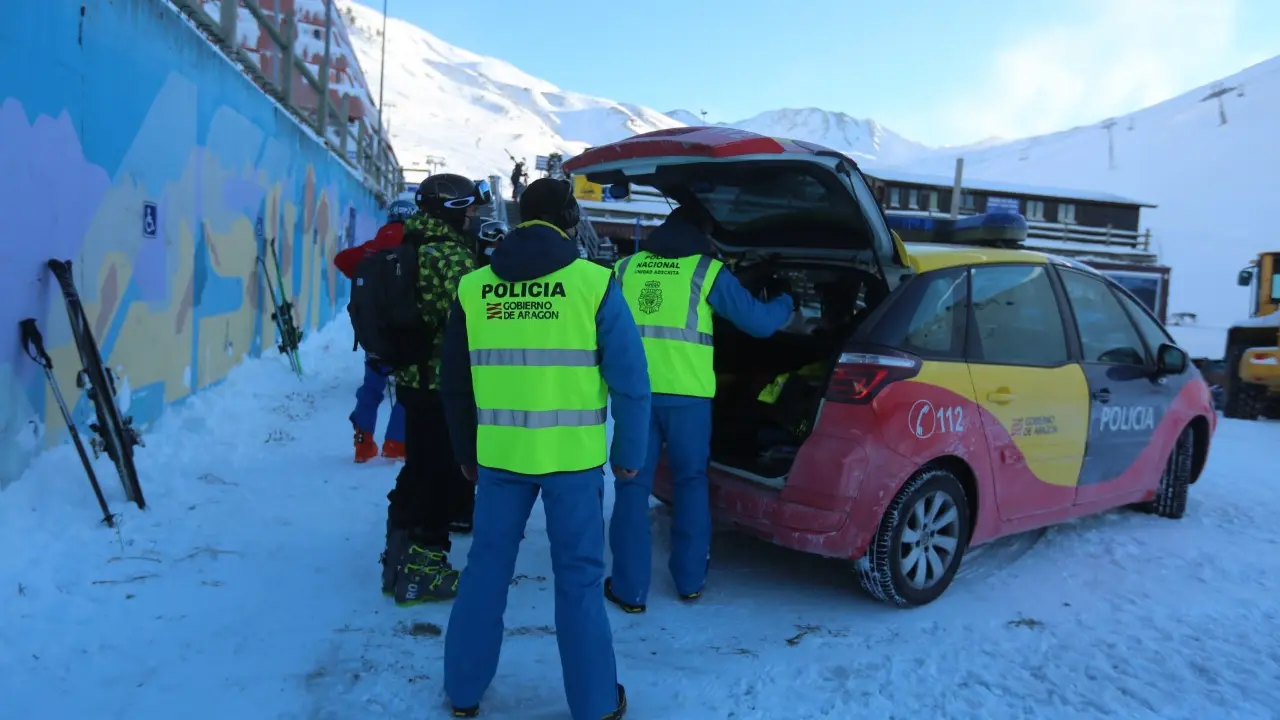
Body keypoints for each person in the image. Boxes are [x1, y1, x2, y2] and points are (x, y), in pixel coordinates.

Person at [439, 178, 649, 719]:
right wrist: (629, 453)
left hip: (500, 458)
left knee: (485, 571)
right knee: (579, 581)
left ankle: (463, 692)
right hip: (571, 461)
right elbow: (630, 380)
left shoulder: (474, 287)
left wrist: (465, 452)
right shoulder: (594, 284)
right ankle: (595, 703)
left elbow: (455, 383)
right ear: (571, 220)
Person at [605, 203, 796, 613]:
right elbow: (761, 324)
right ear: (703, 236)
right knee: (690, 484)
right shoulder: (706, 272)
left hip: (635, 397)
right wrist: (785, 300)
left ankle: (628, 589)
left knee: (631, 486)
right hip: (688, 400)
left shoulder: (625, 268)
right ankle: (689, 582)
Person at [381, 174, 494, 606]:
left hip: (413, 380)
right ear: (451, 209)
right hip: (441, 383)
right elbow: (470, 322)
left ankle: (397, 561)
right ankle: (423, 570)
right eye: (470, 208)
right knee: (441, 476)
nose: (474, 215)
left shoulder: (411, 244)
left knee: (418, 470)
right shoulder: (449, 255)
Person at [334, 199, 416, 462]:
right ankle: (396, 443)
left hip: (374, 333)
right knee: (406, 389)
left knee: (371, 387)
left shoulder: (371, 248)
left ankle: (363, 444)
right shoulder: (415, 248)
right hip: (405, 331)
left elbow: (341, 260)